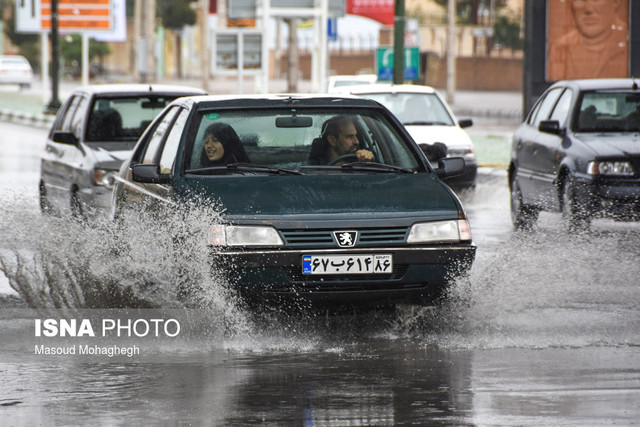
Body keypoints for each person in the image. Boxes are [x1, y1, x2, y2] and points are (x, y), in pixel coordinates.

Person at [547, 0, 628, 80]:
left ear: (615, 2)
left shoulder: (629, 43)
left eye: (596, 0)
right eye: (580, 0)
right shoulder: (560, 48)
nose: (589, 9)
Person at [308, 115, 374, 165]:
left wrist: (370, 160)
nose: (357, 141)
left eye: (356, 136)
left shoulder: (360, 162)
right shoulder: (315, 167)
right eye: (350, 136)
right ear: (332, 140)